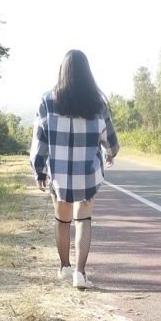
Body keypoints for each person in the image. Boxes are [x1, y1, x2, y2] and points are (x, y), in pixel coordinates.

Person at [29, 49, 120, 290]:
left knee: (62, 220)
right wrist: (111, 152)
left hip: (59, 174)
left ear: (62, 70)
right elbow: (109, 137)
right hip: (87, 172)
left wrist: (39, 170)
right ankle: (80, 273)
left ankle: (64, 268)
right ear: (87, 72)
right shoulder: (97, 102)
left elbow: (40, 140)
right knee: (83, 220)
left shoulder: (47, 101)